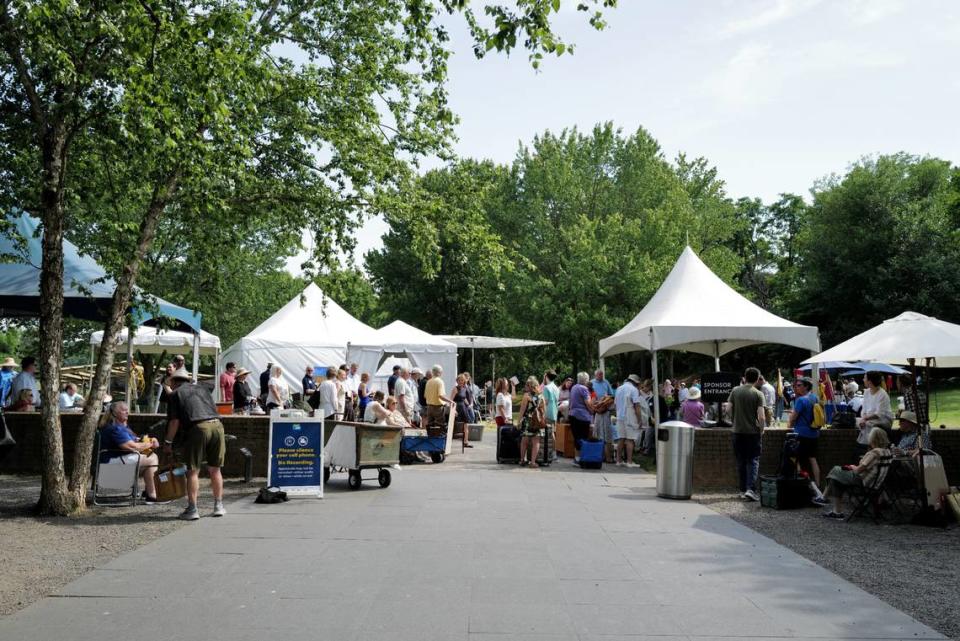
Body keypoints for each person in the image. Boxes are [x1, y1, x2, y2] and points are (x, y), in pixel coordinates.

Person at [162, 368, 226, 520]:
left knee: (192, 471)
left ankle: (192, 509)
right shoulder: (202, 389)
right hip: (217, 425)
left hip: (198, 428)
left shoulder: (175, 394)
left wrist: (167, 442)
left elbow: (174, 422)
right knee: (215, 469)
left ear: (173, 382)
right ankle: (219, 506)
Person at [821, 427, 892, 520]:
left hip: (864, 483)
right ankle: (833, 508)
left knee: (835, 470)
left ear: (874, 439)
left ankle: (826, 500)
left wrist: (852, 467)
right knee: (836, 480)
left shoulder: (874, 453)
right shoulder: (887, 452)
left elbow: (859, 470)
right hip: (876, 485)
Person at [99, 401, 163, 503]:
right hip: (110, 468)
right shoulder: (115, 428)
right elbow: (131, 447)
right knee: (151, 459)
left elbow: (136, 440)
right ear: (115, 413)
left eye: (127, 410)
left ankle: (149, 493)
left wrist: (151, 439)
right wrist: (151, 444)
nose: (127, 412)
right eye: (123, 410)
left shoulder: (122, 427)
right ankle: (151, 494)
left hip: (117, 461)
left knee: (151, 457)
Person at [728, 367, 766, 501]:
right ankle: (751, 489)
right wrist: (761, 429)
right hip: (752, 433)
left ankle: (742, 490)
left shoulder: (735, 391)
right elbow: (761, 417)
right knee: (753, 461)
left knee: (741, 462)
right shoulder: (758, 394)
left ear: (744, 377)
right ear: (757, 379)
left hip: (737, 432)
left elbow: (728, 409)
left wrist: (734, 420)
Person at [787, 377, 826, 503]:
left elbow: (793, 418)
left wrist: (789, 424)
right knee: (813, 459)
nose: (796, 387)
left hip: (801, 434)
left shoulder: (800, 400)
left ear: (806, 387)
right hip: (814, 433)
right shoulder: (814, 397)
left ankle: (804, 484)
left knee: (795, 458)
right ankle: (818, 485)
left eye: (799, 385)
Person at [858, 371, 893, 453]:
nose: (863, 380)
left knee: (866, 424)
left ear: (869, 381)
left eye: (865, 378)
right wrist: (864, 418)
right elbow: (864, 409)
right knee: (857, 422)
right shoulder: (866, 392)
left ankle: (869, 449)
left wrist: (865, 419)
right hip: (868, 419)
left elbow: (879, 414)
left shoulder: (882, 394)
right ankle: (866, 450)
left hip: (882, 421)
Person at [614, 374, 643, 468]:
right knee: (630, 439)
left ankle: (618, 460)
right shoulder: (633, 390)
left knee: (621, 438)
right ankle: (629, 462)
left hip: (619, 417)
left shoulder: (619, 389)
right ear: (635, 382)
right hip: (629, 417)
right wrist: (639, 419)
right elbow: (637, 406)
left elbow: (615, 404)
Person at [517, 376, 545, 467]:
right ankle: (533, 462)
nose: (525, 386)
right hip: (537, 421)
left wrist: (518, 421)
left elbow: (522, 410)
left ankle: (522, 460)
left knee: (524, 441)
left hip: (527, 420)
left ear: (530, 386)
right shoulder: (541, 396)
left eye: (527, 385)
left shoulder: (527, 396)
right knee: (536, 441)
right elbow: (544, 410)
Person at [568, 372, 595, 463]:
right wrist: (592, 411)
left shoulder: (574, 387)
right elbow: (588, 403)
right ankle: (582, 458)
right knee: (583, 438)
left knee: (576, 437)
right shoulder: (584, 389)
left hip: (572, 415)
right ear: (586, 380)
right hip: (582, 416)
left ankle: (577, 458)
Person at [591, 369, 615, 461]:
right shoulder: (592, 383)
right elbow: (590, 396)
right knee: (597, 432)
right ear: (595, 375)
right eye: (599, 375)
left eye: (602, 374)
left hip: (606, 410)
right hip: (596, 411)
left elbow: (611, 395)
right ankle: (600, 455)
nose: (601, 376)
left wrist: (605, 401)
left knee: (606, 433)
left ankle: (607, 457)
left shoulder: (606, 382)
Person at [424, 365, 452, 430]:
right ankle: (439, 440)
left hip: (429, 407)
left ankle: (430, 439)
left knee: (430, 426)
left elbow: (425, 396)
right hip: (438, 408)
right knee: (440, 426)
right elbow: (441, 396)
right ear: (439, 372)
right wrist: (450, 401)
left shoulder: (428, 381)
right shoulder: (440, 381)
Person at [450, 373, 474, 448]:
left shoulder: (464, 388)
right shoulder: (455, 388)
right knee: (453, 427)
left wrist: (469, 405)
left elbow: (464, 398)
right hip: (457, 409)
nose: (461, 382)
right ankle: (448, 442)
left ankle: (466, 442)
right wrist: (454, 411)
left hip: (464, 409)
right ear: (457, 381)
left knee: (466, 425)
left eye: (462, 380)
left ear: (464, 381)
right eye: (459, 380)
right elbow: (451, 400)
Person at [540, 370, 560, 460]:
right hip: (554, 412)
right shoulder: (556, 387)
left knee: (550, 433)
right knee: (552, 432)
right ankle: (553, 452)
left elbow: (545, 402)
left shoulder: (546, 388)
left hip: (548, 412)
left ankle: (552, 453)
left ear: (546, 377)